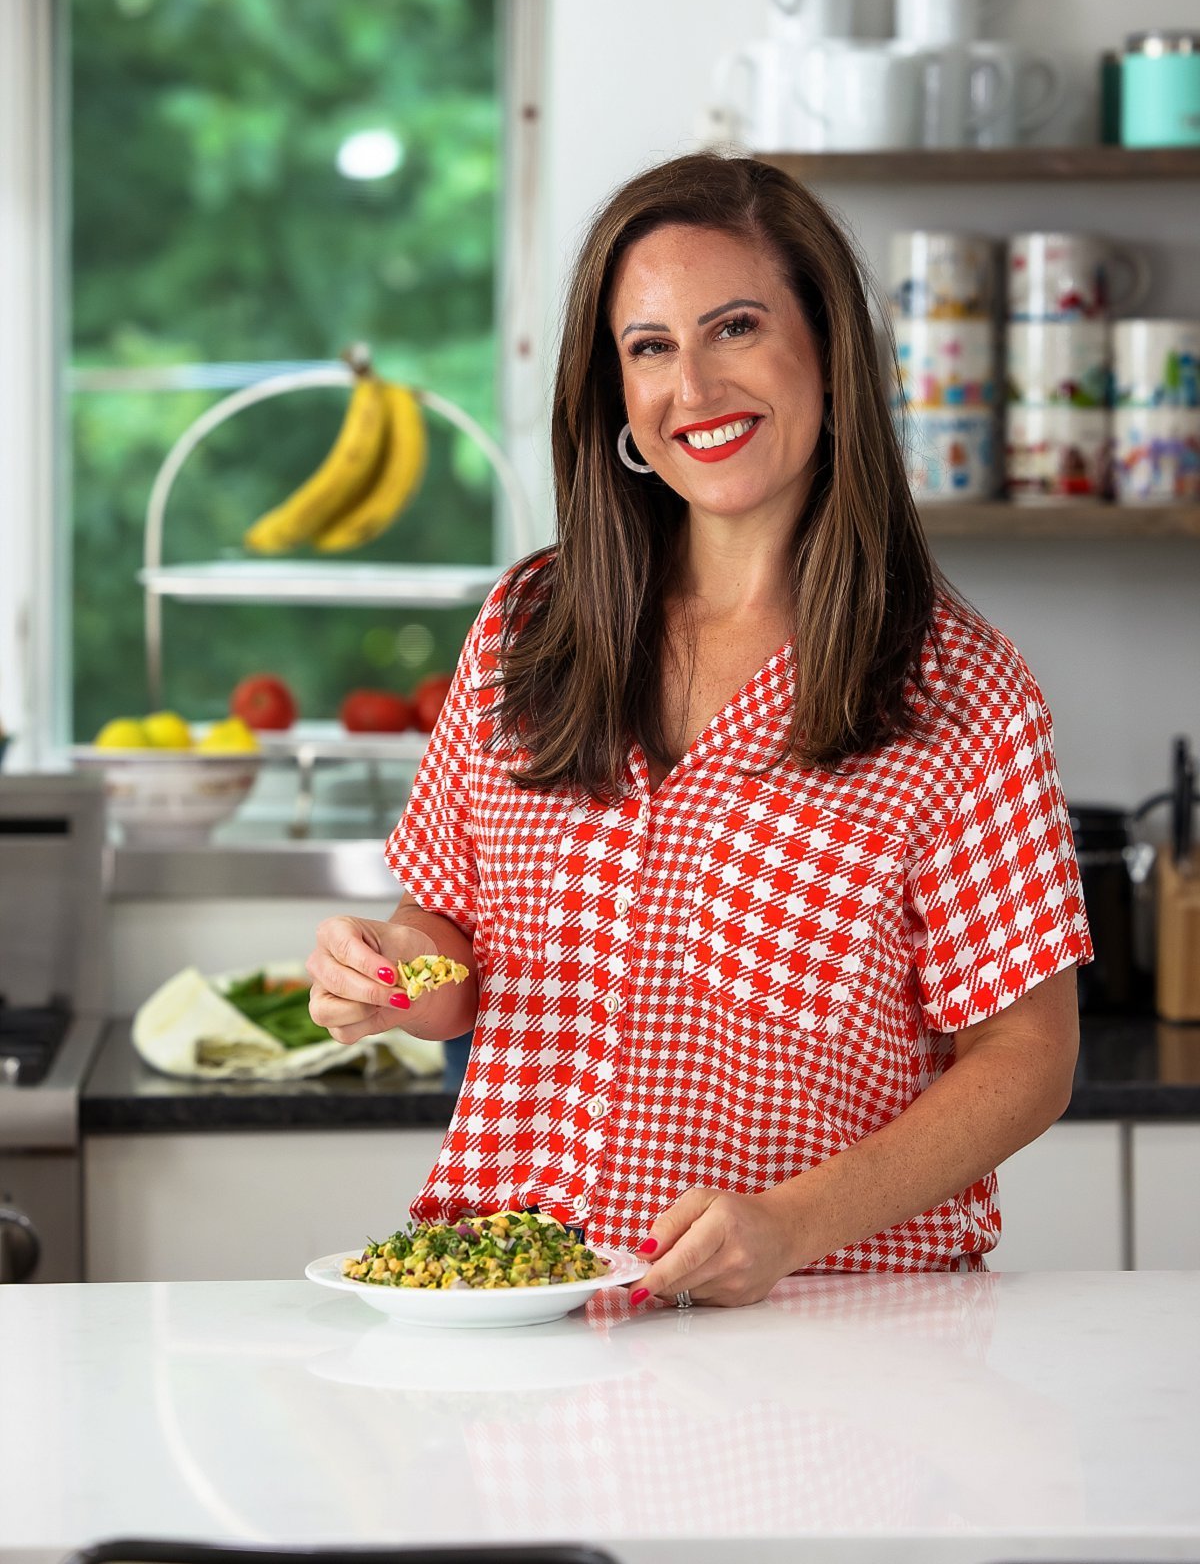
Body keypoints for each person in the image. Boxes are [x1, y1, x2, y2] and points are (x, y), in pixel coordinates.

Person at [306, 153, 1088, 1305]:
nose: (694, 387)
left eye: (735, 326)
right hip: (530, 1316)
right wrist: (394, 977)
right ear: (616, 392)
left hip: (833, 1335)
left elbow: (1029, 1059)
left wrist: (787, 1224)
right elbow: (455, 936)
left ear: (828, 348)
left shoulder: (957, 689)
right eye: (651, 346)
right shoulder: (530, 625)